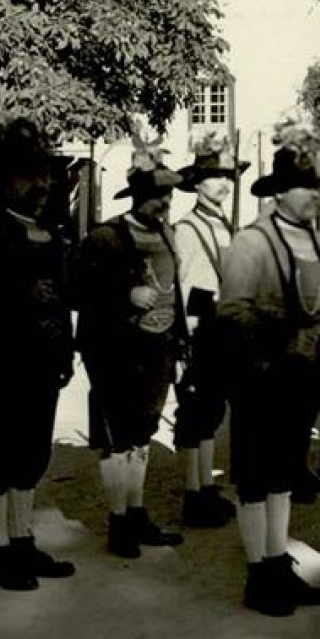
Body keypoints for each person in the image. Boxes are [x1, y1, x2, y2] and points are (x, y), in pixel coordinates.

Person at [215, 127, 320, 614]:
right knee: (254, 476)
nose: (315, 196)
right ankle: (259, 576)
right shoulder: (252, 243)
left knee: (285, 475)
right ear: (278, 192)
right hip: (259, 377)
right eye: (305, 188)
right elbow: (231, 313)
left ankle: (277, 560)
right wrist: (279, 329)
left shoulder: (317, 241)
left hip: (303, 378)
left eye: (318, 187)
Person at [0, 118, 77, 592]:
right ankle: (2, 553)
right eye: (29, 174)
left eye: (44, 173)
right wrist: (17, 295)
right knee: (0, 458)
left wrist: (64, 350)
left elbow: (62, 299)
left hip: (45, 367)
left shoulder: (53, 235)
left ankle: (23, 540)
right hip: (3, 366)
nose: (41, 184)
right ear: (5, 180)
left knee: (33, 456)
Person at [73, 149, 188, 560]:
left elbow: (176, 290)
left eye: (170, 198)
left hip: (159, 350)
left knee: (142, 435)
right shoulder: (105, 238)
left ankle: (137, 513)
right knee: (116, 439)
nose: (166, 204)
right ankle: (118, 520)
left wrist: (181, 338)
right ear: (138, 197)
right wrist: (125, 296)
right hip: (114, 353)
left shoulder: (167, 234)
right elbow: (80, 293)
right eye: (159, 197)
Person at [172, 133, 248, 529]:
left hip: (225, 329)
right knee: (197, 412)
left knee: (213, 412)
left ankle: (205, 486)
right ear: (197, 184)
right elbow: (188, 287)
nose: (223, 183)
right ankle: (193, 491)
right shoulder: (187, 229)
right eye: (215, 176)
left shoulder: (227, 226)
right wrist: (191, 336)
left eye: (227, 176)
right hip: (202, 331)